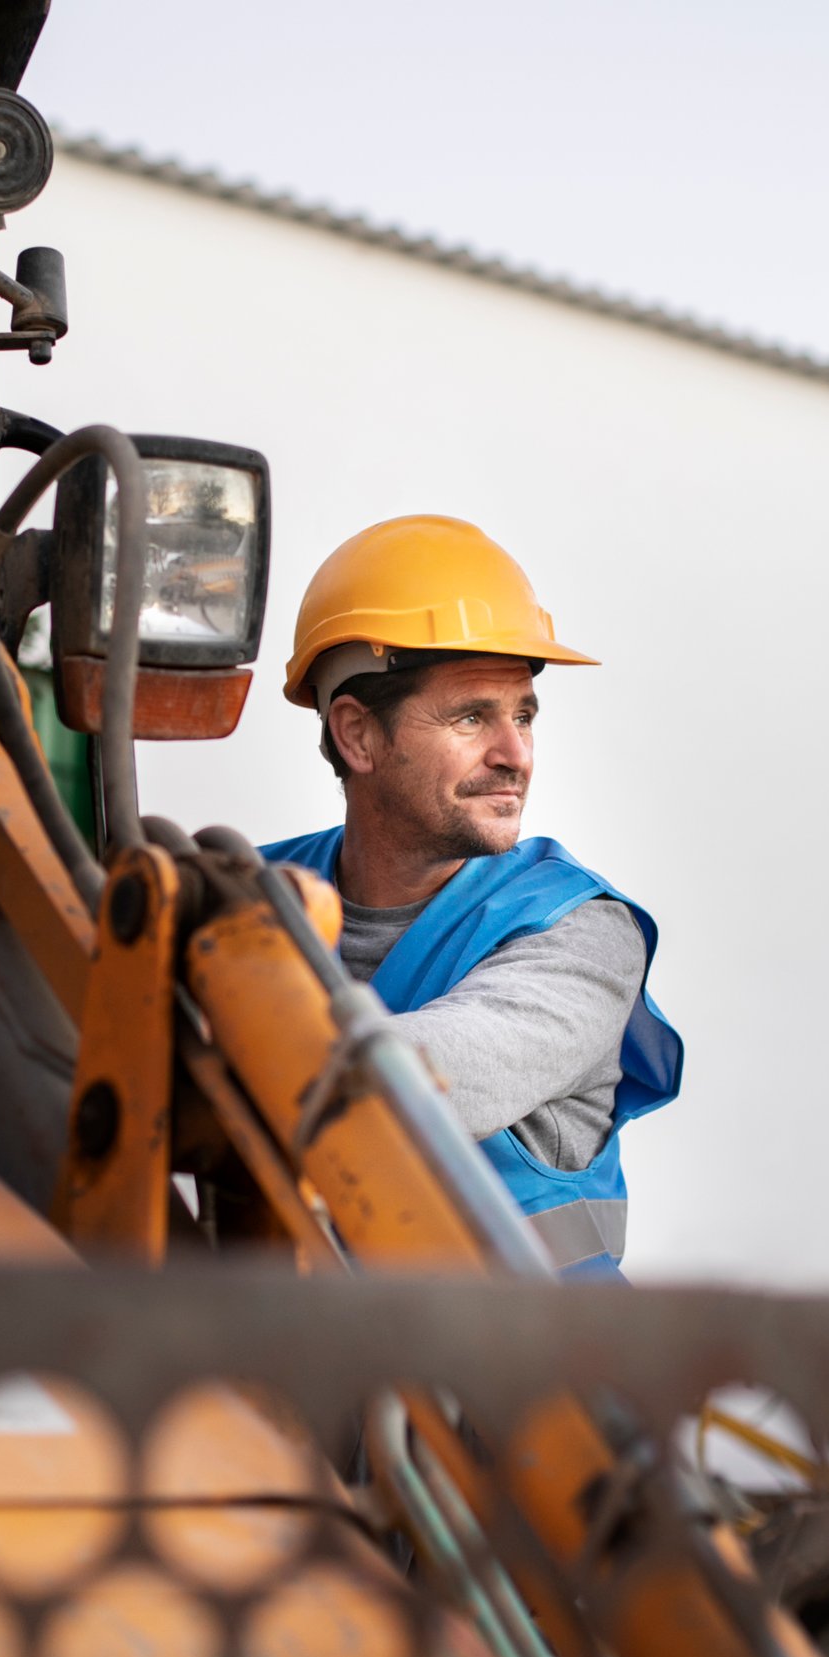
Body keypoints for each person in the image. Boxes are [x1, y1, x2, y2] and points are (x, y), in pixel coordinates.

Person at [261, 515, 682, 1278]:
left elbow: (422, 1085)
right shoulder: (254, 900)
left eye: (523, 716)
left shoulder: (580, 933)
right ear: (357, 736)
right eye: (471, 717)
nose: (514, 754)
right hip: (315, 1385)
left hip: (540, 1385)